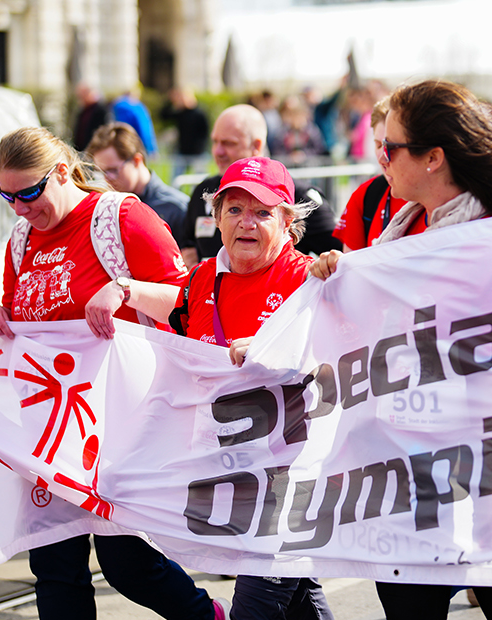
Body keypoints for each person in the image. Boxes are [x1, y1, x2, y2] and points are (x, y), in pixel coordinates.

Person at [307, 78, 492, 620]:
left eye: (391, 148)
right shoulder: (403, 226)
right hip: (402, 455)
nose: (381, 158)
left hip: (477, 459)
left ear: (434, 158)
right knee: (407, 600)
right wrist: (339, 276)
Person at [0, 126, 227, 620]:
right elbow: (17, 314)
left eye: (29, 193)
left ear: (62, 172)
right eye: (8, 196)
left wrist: (126, 290)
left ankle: (209, 617)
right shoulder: (22, 237)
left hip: (120, 427)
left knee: (127, 565)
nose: (21, 208)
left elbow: (191, 304)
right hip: (49, 430)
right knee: (54, 566)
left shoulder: (121, 217)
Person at [166, 156, 335, 619]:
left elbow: (343, 354)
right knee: (302, 604)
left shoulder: (309, 279)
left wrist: (337, 275)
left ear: (287, 221)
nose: (247, 222)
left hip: (291, 481)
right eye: (235, 209)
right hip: (231, 477)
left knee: (253, 610)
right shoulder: (200, 279)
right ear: (216, 218)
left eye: (262, 212)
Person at [178, 104, 337, 265]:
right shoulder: (204, 191)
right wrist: (191, 263)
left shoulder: (299, 195)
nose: (218, 151)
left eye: (229, 143)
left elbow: (338, 255)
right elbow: (188, 241)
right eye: (215, 142)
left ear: (256, 146)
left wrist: (311, 273)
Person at [334, 96, 412, 250]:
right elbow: (351, 266)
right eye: (378, 145)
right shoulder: (366, 195)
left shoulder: (436, 199)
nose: (384, 155)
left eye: (392, 145)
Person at [87, 121, 189, 235]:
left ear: (136, 160)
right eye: (101, 172)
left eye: (113, 170)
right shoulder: (105, 210)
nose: (107, 179)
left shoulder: (177, 209)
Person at [161, 87, 211, 177]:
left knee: (200, 178)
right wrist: (171, 101)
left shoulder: (200, 113)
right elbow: (164, 116)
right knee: (176, 177)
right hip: (182, 151)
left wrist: (200, 148)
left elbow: (205, 133)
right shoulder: (181, 113)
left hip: (197, 153)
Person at [111, 89, 159, 155]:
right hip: (136, 142)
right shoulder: (138, 107)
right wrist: (151, 148)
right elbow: (144, 129)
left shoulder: (116, 106)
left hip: (119, 141)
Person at [73, 82, 110, 152]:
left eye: (82, 95)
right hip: (82, 149)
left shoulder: (100, 109)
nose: (81, 99)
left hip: (95, 149)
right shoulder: (83, 110)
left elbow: (103, 129)